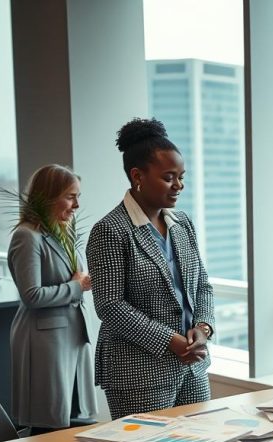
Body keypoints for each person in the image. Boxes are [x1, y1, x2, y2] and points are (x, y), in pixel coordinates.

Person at [87, 118, 215, 420]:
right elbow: (110, 306)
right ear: (137, 176)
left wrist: (203, 328)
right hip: (138, 372)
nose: (179, 185)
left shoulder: (182, 223)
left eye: (181, 177)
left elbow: (202, 285)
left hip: (192, 368)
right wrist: (171, 341)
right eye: (169, 177)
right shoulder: (110, 230)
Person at [7, 164, 98, 434]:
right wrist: (75, 287)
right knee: (49, 427)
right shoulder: (27, 236)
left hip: (73, 335)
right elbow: (31, 295)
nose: (77, 205)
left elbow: (76, 280)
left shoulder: (64, 233)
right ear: (48, 196)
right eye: (71, 196)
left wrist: (81, 283)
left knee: (75, 422)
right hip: (45, 340)